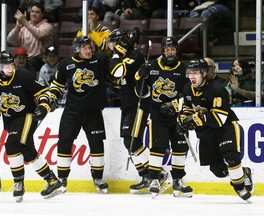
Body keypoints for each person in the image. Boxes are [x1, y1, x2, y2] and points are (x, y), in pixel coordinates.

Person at [0, 50, 63, 203]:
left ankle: (18, 183)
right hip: (10, 121)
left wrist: (44, 105)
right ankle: (51, 180)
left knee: (12, 145)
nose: (11, 67)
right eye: (7, 65)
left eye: (12, 64)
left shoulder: (23, 75)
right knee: (27, 150)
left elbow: (41, 92)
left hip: (28, 115)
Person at [176, 58, 253, 202]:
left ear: (204, 73)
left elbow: (219, 119)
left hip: (225, 127)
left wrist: (195, 120)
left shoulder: (216, 90)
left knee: (231, 156)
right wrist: (182, 120)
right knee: (218, 170)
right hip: (206, 132)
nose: (192, 76)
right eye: (190, 72)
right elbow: (186, 107)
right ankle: (243, 173)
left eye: (196, 73)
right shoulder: (187, 88)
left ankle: (239, 186)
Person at [108, 27, 169, 193]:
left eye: (114, 42)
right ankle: (146, 176)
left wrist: (116, 54)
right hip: (128, 103)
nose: (112, 46)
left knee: (132, 141)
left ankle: (158, 173)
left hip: (139, 104)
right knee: (129, 141)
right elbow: (117, 79)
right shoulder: (126, 56)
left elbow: (117, 70)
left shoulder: (134, 55)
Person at [49, 36, 110, 193]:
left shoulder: (100, 60)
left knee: (96, 143)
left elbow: (114, 73)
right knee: (64, 142)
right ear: (77, 49)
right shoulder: (66, 64)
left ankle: (98, 178)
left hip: (94, 111)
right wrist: (52, 97)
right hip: (72, 110)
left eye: (89, 47)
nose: (88, 50)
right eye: (84, 48)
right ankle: (62, 179)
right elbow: (57, 84)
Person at [135, 36, 193, 198]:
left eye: (173, 49)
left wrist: (174, 105)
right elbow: (142, 93)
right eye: (167, 49)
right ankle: (154, 180)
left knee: (180, 148)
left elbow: (188, 94)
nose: (170, 52)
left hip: (178, 116)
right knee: (157, 147)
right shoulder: (152, 66)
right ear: (162, 51)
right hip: (157, 116)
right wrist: (140, 77)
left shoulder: (183, 69)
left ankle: (178, 181)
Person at [7, 2, 54, 71]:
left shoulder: (47, 26)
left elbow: (39, 35)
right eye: (32, 11)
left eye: (37, 12)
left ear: (42, 14)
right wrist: (17, 27)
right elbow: (10, 40)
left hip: (39, 60)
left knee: (30, 65)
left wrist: (25, 22)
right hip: (24, 59)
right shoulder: (24, 27)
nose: (34, 14)